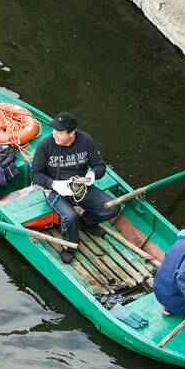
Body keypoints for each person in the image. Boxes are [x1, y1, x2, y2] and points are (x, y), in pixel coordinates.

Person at [29, 111, 121, 263]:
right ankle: (70, 247)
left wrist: (92, 175)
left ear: (71, 133)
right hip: (54, 190)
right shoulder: (45, 145)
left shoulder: (86, 141)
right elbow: (34, 174)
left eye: (59, 132)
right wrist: (55, 184)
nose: (54, 135)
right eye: (53, 130)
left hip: (79, 187)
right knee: (69, 216)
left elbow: (100, 166)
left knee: (113, 207)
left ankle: (86, 222)